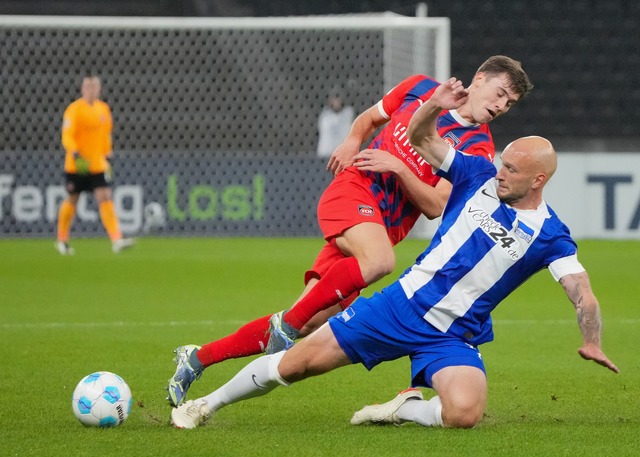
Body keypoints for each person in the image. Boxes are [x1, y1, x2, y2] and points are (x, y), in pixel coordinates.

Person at [170, 76, 618, 430]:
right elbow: (421, 135)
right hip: (401, 305)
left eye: (512, 170)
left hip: (455, 334)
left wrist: (591, 340)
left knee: (464, 413)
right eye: (502, 163)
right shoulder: (476, 172)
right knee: (299, 362)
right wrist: (433, 105)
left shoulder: (551, 235)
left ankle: (401, 409)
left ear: (537, 181)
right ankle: (204, 405)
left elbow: (582, 291)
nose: (501, 172)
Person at [55, 74, 134, 255]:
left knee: (105, 196)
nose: (91, 90)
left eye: (94, 87)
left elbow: (106, 135)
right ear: (83, 89)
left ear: (99, 89)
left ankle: (116, 238)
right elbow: (67, 135)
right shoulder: (74, 110)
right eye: (88, 87)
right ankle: (62, 239)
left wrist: (108, 155)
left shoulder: (103, 109)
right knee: (72, 199)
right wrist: (74, 152)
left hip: (97, 164)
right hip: (78, 164)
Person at [316, 86, 355, 157]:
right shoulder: (324, 115)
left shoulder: (348, 113)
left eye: (337, 98)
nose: (336, 101)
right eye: (333, 98)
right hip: (325, 154)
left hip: (343, 155)